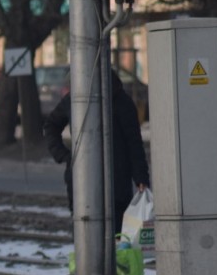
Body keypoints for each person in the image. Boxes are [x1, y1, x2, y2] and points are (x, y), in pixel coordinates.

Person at [42, 69, 150, 217]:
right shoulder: (73, 100)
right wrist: (64, 155)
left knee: (115, 232)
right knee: (84, 230)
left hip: (115, 184)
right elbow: (51, 126)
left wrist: (141, 177)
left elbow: (134, 143)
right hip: (82, 183)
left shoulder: (121, 102)